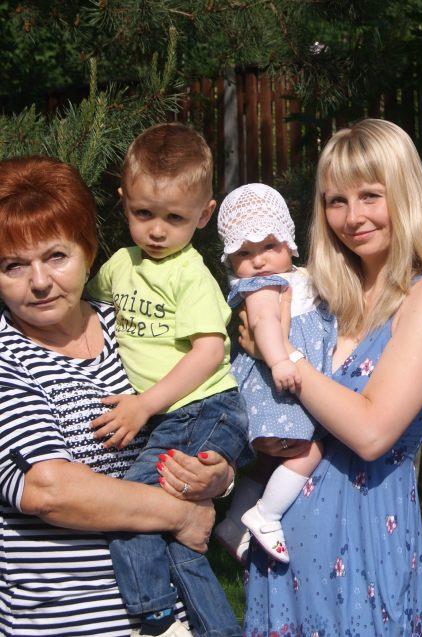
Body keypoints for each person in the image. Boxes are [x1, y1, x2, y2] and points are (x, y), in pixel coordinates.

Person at [243, 118, 422, 636]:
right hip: (283, 548)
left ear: (405, 194)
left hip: (364, 547)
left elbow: (371, 433)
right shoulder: (319, 298)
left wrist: (281, 355)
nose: (352, 218)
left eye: (370, 196)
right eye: (336, 201)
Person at [0, 155, 233, 637]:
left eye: (56, 256)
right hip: (67, 622)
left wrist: (217, 475)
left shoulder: (130, 323)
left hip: (176, 616)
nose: (39, 282)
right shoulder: (8, 357)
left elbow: (201, 408)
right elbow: (49, 490)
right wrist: (182, 514)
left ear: (88, 250)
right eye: (14, 265)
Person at [86, 123, 248, 637]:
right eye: (143, 213)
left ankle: (153, 616)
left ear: (203, 215)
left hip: (202, 409)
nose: (157, 231)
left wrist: (144, 405)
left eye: (174, 218)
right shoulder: (120, 265)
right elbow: (86, 311)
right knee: (179, 538)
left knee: (132, 507)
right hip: (174, 415)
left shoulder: (189, 274)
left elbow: (210, 351)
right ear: (123, 202)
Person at [212, 183, 336, 564]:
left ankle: (233, 524)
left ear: (288, 241)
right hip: (276, 390)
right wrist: (280, 360)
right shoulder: (264, 286)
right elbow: (264, 324)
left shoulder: (295, 277)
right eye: (244, 253)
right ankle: (267, 515)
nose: (259, 260)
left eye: (268, 246)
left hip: (282, 391)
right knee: (308, 450)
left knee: (267, 463)